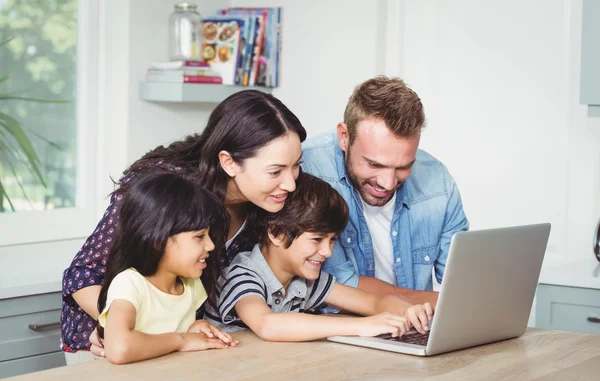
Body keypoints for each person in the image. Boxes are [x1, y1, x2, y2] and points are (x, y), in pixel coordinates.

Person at [61, 90, 306, 363]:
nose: (290, 183)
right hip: (104, 344)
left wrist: (184, 333)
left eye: (296, 166)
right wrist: (117, 330)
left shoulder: (266, 205)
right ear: (229, 162)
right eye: (275, 171)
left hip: (178, 343)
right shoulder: (166, 191)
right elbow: (82, 276)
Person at [301, 76, 469, 307]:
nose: (388, 183)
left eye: (403, 167)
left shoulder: (439, 183)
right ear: (344, 137)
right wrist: (428, 302)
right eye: (374, 164)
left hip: (411, 330)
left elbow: (460, 283)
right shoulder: (305, 170)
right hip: (333, 330)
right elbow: (334, 284)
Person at [204, 173, 434, 341]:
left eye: (332, 239)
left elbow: (373, 302)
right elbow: (267, 325)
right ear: (275, 233)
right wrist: (361, 326)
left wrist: (406, 311)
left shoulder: (305, 280)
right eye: (317, 240)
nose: (327, 251)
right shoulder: (242, 274)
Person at [97, 173, 238, 364]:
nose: (211, 246)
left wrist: (194, 329)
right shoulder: (129, 284)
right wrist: (182, 340)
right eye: (199, 236)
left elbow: (168, 342)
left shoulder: (190, 284)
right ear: (157, 241)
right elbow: (120, 348)